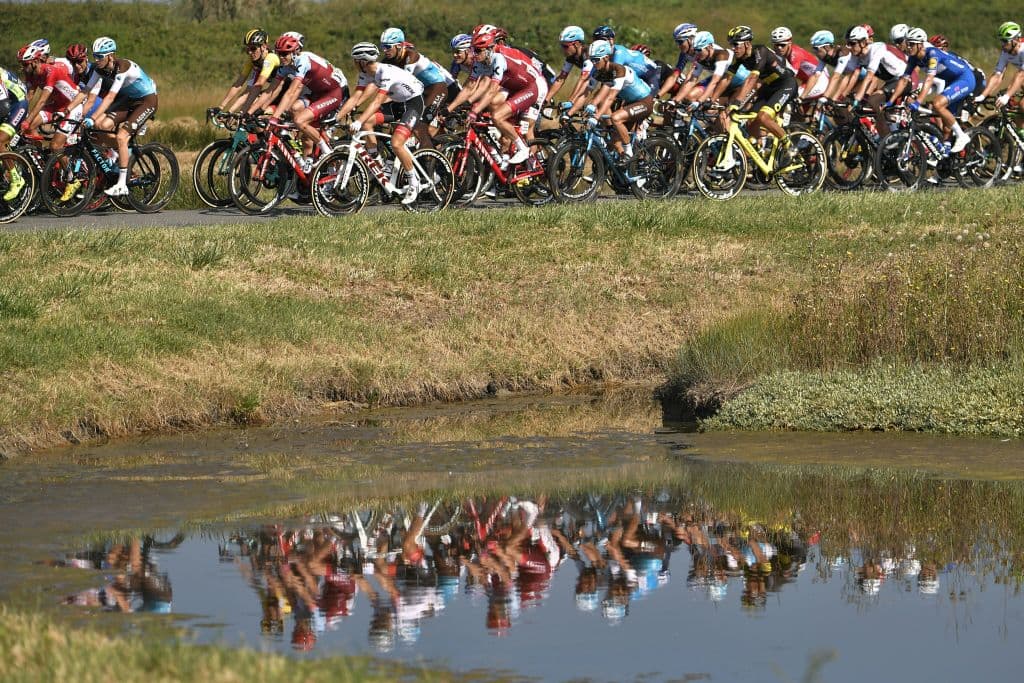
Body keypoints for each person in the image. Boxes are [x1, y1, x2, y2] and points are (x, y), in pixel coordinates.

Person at [339, 42, 426, 204]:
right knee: (367, 124)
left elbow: (377, 102)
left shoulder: (384, 72)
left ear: (362, 61)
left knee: (397, 143)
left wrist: (358, 120)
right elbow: (356, 97)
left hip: (413, 103)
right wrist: (336, 118)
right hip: (397, 103)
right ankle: (378, 163)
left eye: (355, 60)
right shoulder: (366, 73)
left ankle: (414, 182)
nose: (353, 63)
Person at [73, 37, 158, 197]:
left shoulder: (122, 67)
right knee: (99, 127)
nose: (96, 60)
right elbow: (86, 92)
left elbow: (110, 98)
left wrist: (92, 117)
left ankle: (122, 184)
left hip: (147, 100)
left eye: (100, 57)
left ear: (110, 56)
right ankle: (122, 153)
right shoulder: (99, 70)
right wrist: (68, 111)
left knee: (121, 136)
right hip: (129, 100)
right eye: (95, 56)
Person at [261, 33, 347, 168]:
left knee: (300, 121)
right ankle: (306, 168)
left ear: (295, 52)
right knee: (295, 111)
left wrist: (275, 117)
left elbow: (292, 92)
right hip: (317, 94)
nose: (281, 57)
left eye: (285, 54)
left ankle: (327, 152)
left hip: (334, 93)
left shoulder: (303, 60)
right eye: (279, 54)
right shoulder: (286, 66)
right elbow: (270, 91)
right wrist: (256, 111)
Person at [889, 27, 973, 152]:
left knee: (937, 104)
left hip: (964, 78)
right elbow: (904, 80)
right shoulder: (914, 58)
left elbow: (929, 79)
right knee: (946, 127)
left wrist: (918, 102)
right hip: (951, 81)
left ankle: (962, 136)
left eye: (912, 44)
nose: (908, 47)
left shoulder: (932, 54)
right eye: (907, 43)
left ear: (920, 44)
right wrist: (891, 101)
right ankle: (947, 154)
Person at [726, 25, 798, 142]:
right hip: (769, 87)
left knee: (763, 117)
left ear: (747, 44)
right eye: (731, 45)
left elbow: (753, 78)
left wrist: (737, 102)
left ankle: (789, 146)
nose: (733, 48)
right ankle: (763, 148)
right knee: (751, 123)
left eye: (735, 44)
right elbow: (726, 78)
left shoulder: (760, 51)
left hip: (786, 84)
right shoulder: (740, 58)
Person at [586, 39, 653, 159]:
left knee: (615, 118)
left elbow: (611, 97)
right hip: (631, 103)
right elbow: (602, 93)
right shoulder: (602, 72)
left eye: (596, 60)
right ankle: (616, 171)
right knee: (614, 141)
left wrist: (597, 116)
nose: (593, 63)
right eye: (591, 60)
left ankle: (629, 154)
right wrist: (591, 105)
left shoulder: (619, 70)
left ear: (606, 58)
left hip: (644, 102)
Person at [216, 29, 281, 114]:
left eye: (253, 48)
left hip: (289, 91)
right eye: (247, 49)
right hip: (274, 91)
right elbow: (241, 85)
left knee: (256, 110)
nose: (250, 52)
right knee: (246, 107)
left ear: (264, 46)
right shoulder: (253, 61)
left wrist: (243, 113)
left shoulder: (270, 58)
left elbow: (259, 84)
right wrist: (223, 108)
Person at [974, 22, 1024, 111]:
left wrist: (1006, 96)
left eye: (1005, 41)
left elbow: (1021, 75)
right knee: (1014, 112)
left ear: (1015, 40)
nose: (1002, 44)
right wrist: (982, 96)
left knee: (1022, 105)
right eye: (1001, 41)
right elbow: (998, 75)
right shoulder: (1006, 52)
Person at [546, 26, 594, 112]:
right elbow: (561, 79)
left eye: (565, 46)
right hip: (600, 78)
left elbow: (583, 79)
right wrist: (546, 100)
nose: (562, 49)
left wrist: (571, 101)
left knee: (598, 105)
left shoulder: (588, 54)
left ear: (576, 44)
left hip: (616, 77)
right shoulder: (571, 56)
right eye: (561, 45)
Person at [0, 64, 29, 202]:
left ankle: (16, 179)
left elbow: (3, 106)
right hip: (7, 102)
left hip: (17, 104)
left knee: (0, 141)